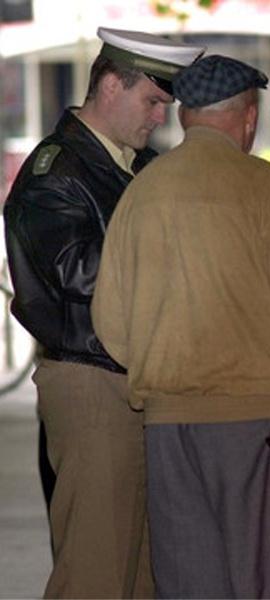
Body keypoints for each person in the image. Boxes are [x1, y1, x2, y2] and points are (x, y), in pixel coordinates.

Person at [90, 55, 270, 598]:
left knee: (190, 581)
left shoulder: (142, 193)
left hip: (168, 429)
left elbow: (111, 321)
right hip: (257, 426)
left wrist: (166, 367)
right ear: (248, 117)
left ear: (186, 116)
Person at [3, 27, 205, 598]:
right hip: (91, 380)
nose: (159, 118)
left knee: (139, 570)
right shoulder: (56, 171)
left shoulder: (136, 164)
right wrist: (175, 254)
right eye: (153, 102)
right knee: (94, 569)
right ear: (112, 84)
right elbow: (76, 271)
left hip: (133, 377)